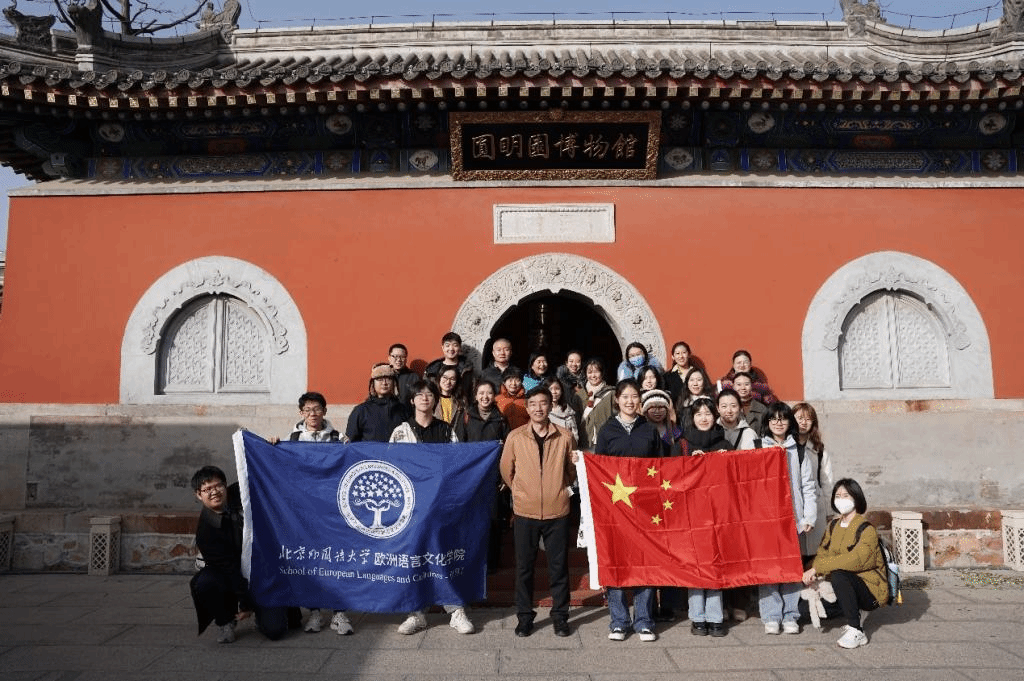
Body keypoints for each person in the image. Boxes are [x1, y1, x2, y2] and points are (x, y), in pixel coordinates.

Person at [388, 380, 473, 635]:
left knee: (443, 555)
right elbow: (392, 469)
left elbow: (456, 466)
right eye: (420, 394)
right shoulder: (401, 432)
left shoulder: (446, 431)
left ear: (436, 400)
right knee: (415, 558)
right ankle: (417, 613)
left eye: (429, 394)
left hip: (439, 505)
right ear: (411, 400)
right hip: (412, 508)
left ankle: (456, 611)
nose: (425, 398)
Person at [269, 392, 352, 635]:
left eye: (317, 409)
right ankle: (315, 613)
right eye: (307, 409)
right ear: (301, 413)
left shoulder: (339, 438)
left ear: (325, 411)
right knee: (311, 560)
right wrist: (273, 447)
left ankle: (339, 613)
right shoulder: (292, 438)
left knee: (336, 560)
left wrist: (351, 449)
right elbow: (280, 465)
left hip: (332, 510)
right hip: (305, 512)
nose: (312, 414)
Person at [500, 386, 576, 638]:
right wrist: (520, 491)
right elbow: (506, 470)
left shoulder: (564, 436)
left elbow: (571, 470)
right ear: (527, 408)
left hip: (557, 511)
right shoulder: (515, 437)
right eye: (532, 404)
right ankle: (524, 617)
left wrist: (560, 489)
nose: (538, 408)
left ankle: (560, 616)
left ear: (550, 406)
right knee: (524, 568)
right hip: (525, 512)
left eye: (543, 403)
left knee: (558, 568)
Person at [189, 466, 294, 643]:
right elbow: (230, 570)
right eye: (207, 489)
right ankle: (225, 620)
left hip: (262, 573)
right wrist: (245, 603)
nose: (214, 492)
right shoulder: (206, 532)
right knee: (206, 581)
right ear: (199, 495)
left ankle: (264, 613)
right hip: (230, 579)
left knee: (276, 630)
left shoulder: (240, 492)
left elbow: (261, 473)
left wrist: (268, 450)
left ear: (225, 485)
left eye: (218, 486)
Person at [596, 379, 664, 642]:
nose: (629, 401)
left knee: (645, 562)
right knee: (616, 562)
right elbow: (598, 466)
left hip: (645, 508)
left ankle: (644, 621)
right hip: (614, 509)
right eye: (624, 396)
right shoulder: (607, 430)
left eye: (634, 396)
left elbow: (660, 468)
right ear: (617, 400)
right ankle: (619, 621)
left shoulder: (649, 430)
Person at [803, 479, 888, 649]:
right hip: (842, 585)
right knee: (802, 611)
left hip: (870, 591)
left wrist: (818, 568)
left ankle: (856, 630)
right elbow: (822, 553)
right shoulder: (833, 525)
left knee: (840, 574)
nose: (841, 499)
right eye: (837, 496)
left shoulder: (866, 529)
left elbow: (855, 560)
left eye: (846, 496)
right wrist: (814, 573)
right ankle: (851, 609)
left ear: (856, 498)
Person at [758, 401, 816, 636]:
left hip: (794, 519)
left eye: (782, 418)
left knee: (792, 568)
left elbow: (808, 486)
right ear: (767, 422)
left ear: (789, 422)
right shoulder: (757, 447)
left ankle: (790, 614)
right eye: (773, 419)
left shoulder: (799, 450)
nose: (778, 423)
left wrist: (808, 516)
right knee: (769, 569)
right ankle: (771, 615)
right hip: (765, 520)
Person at [678, 398, 733, 637]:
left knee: (715, 564)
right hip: (690, 515)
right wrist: (689, 464)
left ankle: (715, 616)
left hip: (718, 515)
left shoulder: (725, 444)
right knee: (695, 565)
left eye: (708, 413)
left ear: (715, 416)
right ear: (692, 418)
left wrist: (726, 462)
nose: (704, 418)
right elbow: (671, 478)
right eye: (699, 413)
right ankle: (698, 617)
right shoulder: (682, 444)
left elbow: (736, 481)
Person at [454, 379, 510, 572]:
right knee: (470, 521)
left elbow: (508, 451)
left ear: (494, 396)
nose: (485, 397)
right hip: (471, 479)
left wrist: (505, 476)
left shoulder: (501, 419)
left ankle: (492, 564)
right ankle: (471, 562)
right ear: (475, 396)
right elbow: (458, 448)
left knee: (493, 521)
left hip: (493, 478)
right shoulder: (466, 416)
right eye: (481, 393)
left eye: (489, 393)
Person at [794, 402, 835, 558]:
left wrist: (830, 512)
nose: (804, 422)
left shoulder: (819, 450)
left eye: (808, 419)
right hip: (794, 505)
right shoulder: (785, 447)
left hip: (816, 505)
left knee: (815, 552)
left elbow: (826, 481)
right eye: (799, 418)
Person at [345, 363, 409, 443]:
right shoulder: (361, 411)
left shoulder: (403, 410)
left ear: (394, 383)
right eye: (380, 379)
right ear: (373, 383)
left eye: (388, 379)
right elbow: (350, 442)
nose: (384, 383)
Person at [424, 331, 476, 396]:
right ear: (443, 347)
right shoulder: (432, 370)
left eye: (455, 345)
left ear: (460, 347)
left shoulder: (467, 369)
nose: (451, 349)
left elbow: (473, 391)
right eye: (447, 345)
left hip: (461, 402)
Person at [579, 358, 615, 451]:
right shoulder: (580, 394)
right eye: (589, 372)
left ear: (602, 373)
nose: (593, 376)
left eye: (596, 372)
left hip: (605, 441)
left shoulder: (611, 393)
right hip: (584, 441)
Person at [640, 389, 682, 454]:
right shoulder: (639, 430)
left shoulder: (676, 431)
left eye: (661, 407)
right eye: (652, 407)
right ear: (645, 410)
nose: (657, 411)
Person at [675, 366, 715, 431]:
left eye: (699, 380)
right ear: (687, 383)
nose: (695, 384)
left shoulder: (711, 402)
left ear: (704, 382)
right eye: (692, 380)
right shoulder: (682, 402)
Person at [543, 377, 579, 446]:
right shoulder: (541, 411)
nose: (554, 392)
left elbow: (574, 434)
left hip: (566, 447)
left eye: (557, 389)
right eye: (550, 389)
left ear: (561, 391)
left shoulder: (568, 411)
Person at [732, 372, 768, 437]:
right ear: (734, 386)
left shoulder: (761, 408)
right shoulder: (728, 408)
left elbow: (765, 434)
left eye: (746, 384)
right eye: (739, 384)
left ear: (751, 386)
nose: (743, 388)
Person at [496, 366, 529, 430]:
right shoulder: (497, 400)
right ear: (504, 382)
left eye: (517, 380)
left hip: (523, 433)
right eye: (510, 380)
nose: (513, 384)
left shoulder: (528, 399)